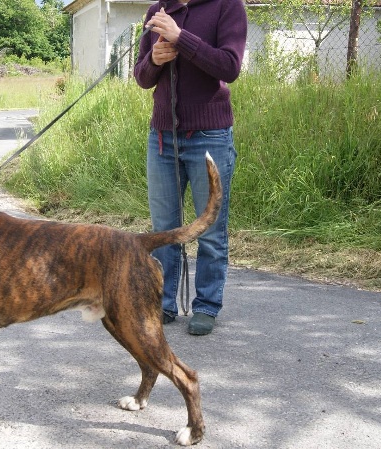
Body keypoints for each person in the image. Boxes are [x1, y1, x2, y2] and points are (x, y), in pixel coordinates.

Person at [134, 0, 247, 335]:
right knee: (164, 229)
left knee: (209, 229)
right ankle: (163, 303)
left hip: (209, 136)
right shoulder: (157, 9)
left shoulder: (227, 6)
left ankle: (206, 306)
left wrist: (181, 37)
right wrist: (154, 60)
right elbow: (142, 77)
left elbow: (229, 66)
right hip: (162, 139)